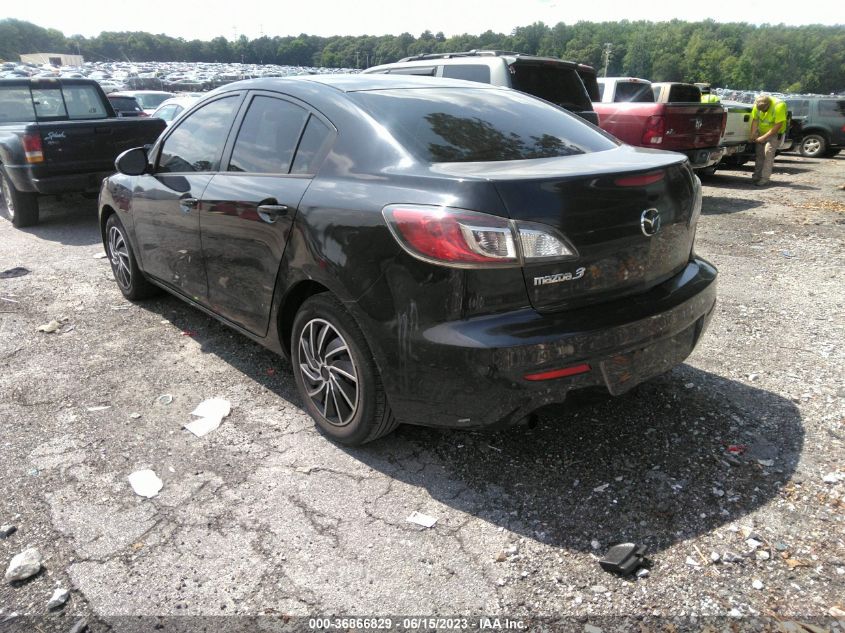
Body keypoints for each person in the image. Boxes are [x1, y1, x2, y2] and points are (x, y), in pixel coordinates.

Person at [749, 94, 787, 186]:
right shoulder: (757, 105)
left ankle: (765, 179)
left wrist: (764, 137)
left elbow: (778, 125)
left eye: (764, 110)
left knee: (768, 154)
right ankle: (756, 177)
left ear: (768, 105)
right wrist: (753, 134)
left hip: (774, 133)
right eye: (760, 110)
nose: (762, 111)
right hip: (762, 132)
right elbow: (755, 120)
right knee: (759, 155)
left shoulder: (779, 106)